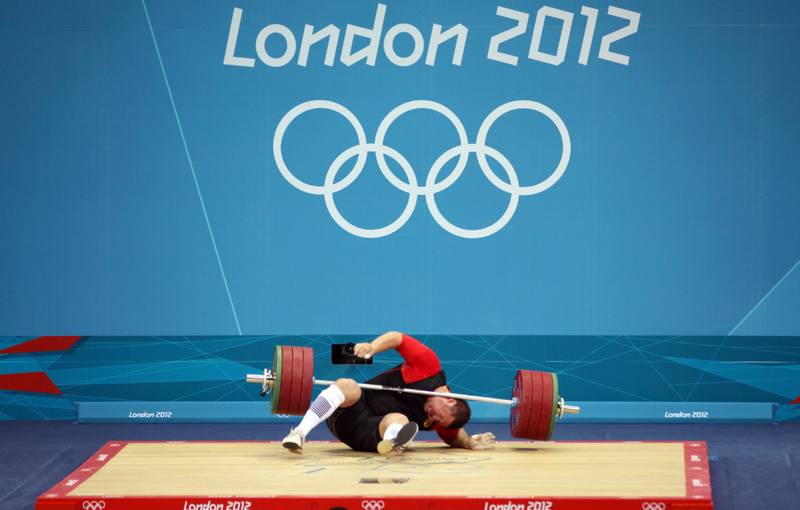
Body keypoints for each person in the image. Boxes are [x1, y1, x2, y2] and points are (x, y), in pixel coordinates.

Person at [281, 331, 496, 454]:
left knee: (400, 419)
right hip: (344, 415)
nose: (435, 419)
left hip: (369, 437)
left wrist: (468, 443)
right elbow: (397, 338)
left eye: (439, 421)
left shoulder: (445, 420)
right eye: (440, 415)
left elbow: (454, 437)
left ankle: (394, 442)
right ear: (450, 400)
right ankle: (299, 433)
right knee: (348, 385)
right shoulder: (429, 368)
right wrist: (372, 347)